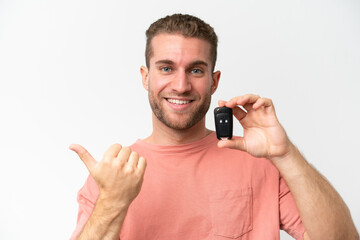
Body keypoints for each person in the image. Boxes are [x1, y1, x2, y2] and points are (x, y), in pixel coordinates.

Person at [69, 14, 359, 240]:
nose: (181, 86)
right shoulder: (113, 176)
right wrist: (112, 202)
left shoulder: (260, 163)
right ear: (145, 77)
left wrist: (285, 155)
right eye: (166, 68)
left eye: (195, 70)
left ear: (214, 80)